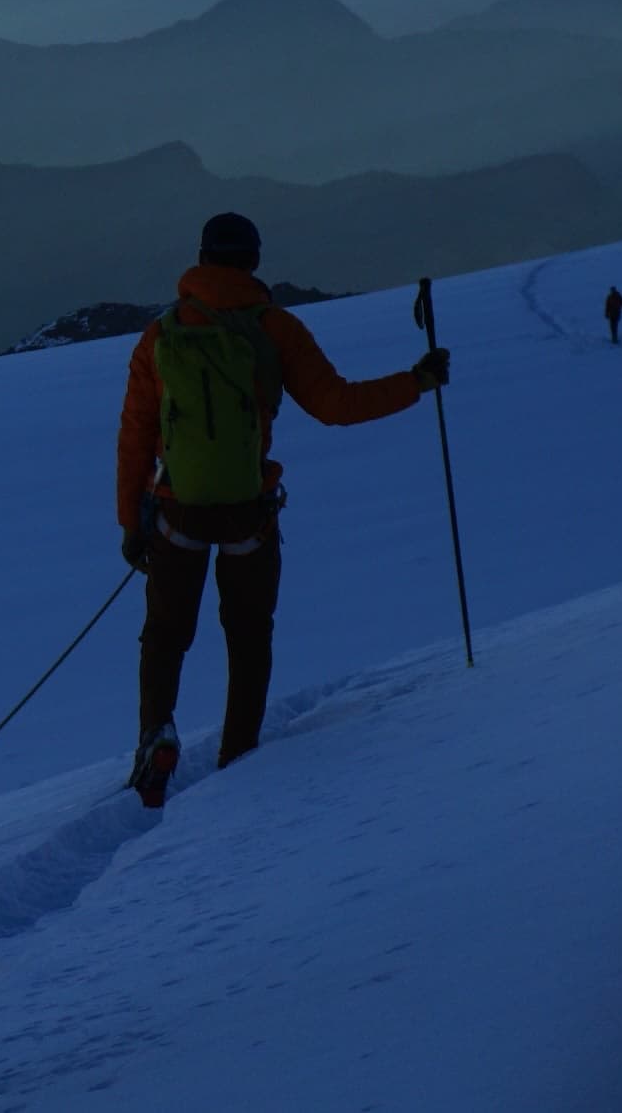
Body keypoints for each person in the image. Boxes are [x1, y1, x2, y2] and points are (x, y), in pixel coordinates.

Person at [115, 211, 447, 803]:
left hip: (176, 511)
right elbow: (336, 405)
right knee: (248, 633)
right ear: (253, 261)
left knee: (165, 634)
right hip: (249, 510)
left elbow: (136, 436)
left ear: (201, 258)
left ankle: (155, 736)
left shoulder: (161, 335)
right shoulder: (276, 328)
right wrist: (415, 383)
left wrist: (130, 524)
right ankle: (239, 754)